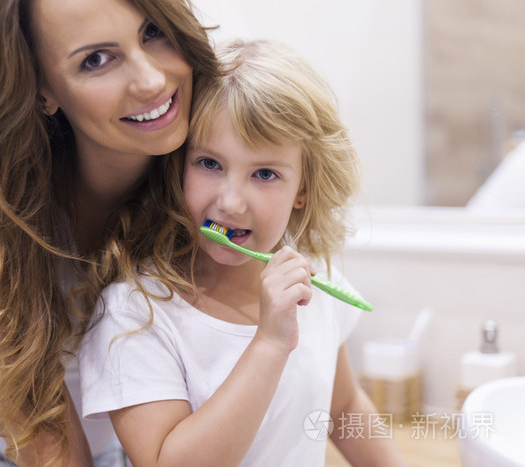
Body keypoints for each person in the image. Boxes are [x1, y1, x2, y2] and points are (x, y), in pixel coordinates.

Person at [0, 0, 219, 465]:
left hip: (106, 443)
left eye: (154, 31)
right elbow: (45, 444)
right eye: (95, 59)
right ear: (42, 89)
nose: (151, 80)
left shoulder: (222, 173)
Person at [79, 39, 407, 466]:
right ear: (177, 167)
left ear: (302, 189)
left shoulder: (310, 282)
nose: (231, 202)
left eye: (265, 173)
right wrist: (269, 343)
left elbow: (342, 408)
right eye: (210, 164)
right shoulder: (134, 314)